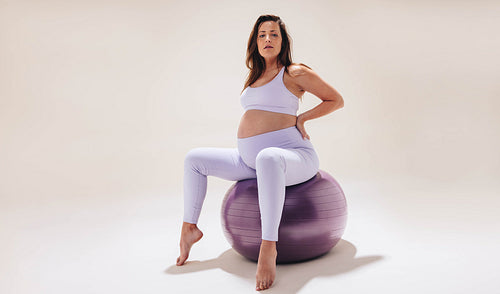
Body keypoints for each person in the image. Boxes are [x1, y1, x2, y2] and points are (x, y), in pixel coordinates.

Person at [176, 14, 344, 291]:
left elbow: (335, 100)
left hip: (293, 156)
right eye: (262, 34)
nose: (268, 39)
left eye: (274, 34)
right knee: (194, 159)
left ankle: (269, 247)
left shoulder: (294, 72)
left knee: (268, 157)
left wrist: (302, 118)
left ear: (282, 41)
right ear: (256, 41)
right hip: (250, 160)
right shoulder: (255, 76)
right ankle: (189, 229)